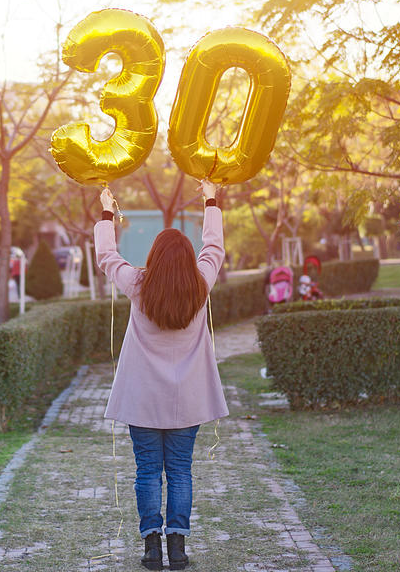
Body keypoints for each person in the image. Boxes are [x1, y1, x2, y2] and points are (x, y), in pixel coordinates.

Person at [94, 179, 228, 571]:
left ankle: (152, 546)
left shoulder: (138, 283)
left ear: (153, 255)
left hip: (142, 400)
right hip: (188, 399)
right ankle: (178, 547)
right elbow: (214, 247)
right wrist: (211, 199)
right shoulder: (200, 284)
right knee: (181, 471)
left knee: (148, 471)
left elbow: (106, 255)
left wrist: (106, 211)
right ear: (188, 258)